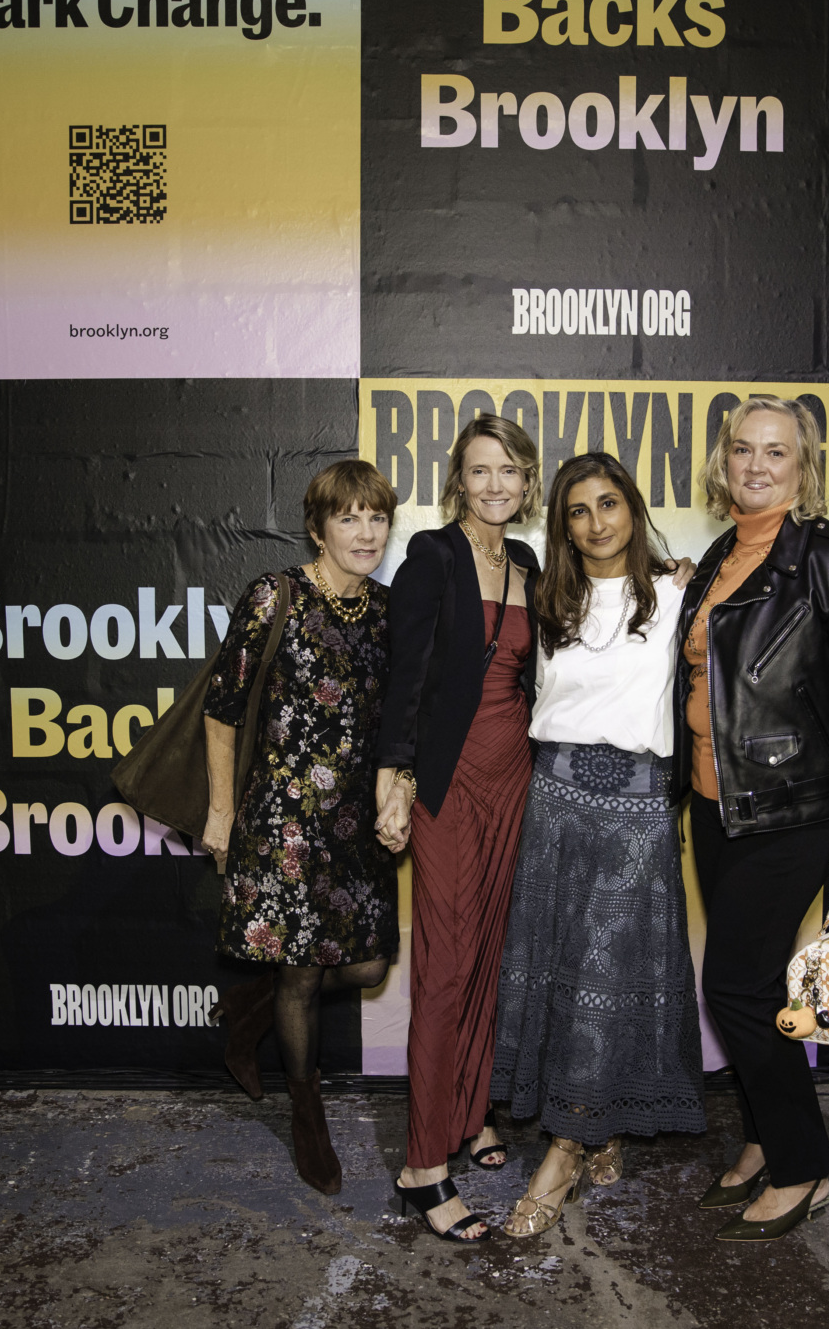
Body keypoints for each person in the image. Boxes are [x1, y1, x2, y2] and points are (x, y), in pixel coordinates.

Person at [675, 397, 829, 1242]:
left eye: (777, 452)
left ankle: (804, 1164)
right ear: (722, 462)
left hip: (792, 811)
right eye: (743, 449)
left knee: (732, 989)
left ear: (804, 466)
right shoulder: (717, 556)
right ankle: (765, 1138)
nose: (757, 465)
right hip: (715, 802)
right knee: (754, 983)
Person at [491, 452, 706, 1237]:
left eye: (609, 503)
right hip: (554, 800)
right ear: (562, 524)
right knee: (565, 976)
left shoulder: (681, 590)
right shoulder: (547, 593)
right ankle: (599, 1128)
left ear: (633, 506)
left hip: (638, 810)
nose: (596, 522)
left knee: (602, 977)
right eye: (577, 510)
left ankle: (562, 1154)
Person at [204, 459, 398, 1197]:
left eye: (376, 515)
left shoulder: (385, 611)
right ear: (317, 527)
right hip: (283, 817)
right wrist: (222, 810)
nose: (365, 530)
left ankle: (247, 1016)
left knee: (366, 965)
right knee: (299, 968)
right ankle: (307, 1110)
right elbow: (222, 709)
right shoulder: (274, 595)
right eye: (348, 516)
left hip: (354, 827)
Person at [374, 414, 541, 1243]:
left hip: (519, 780)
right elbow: (405, 681)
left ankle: (470, 1112)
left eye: (509, 470)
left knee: (490, 959)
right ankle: (421, 1165)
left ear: (527, 480)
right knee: (444, 964)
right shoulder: (432, 558)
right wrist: (393, 779)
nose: (495, 485)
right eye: (480, 471)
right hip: (449, 784)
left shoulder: (528, 563)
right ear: (458, 481)